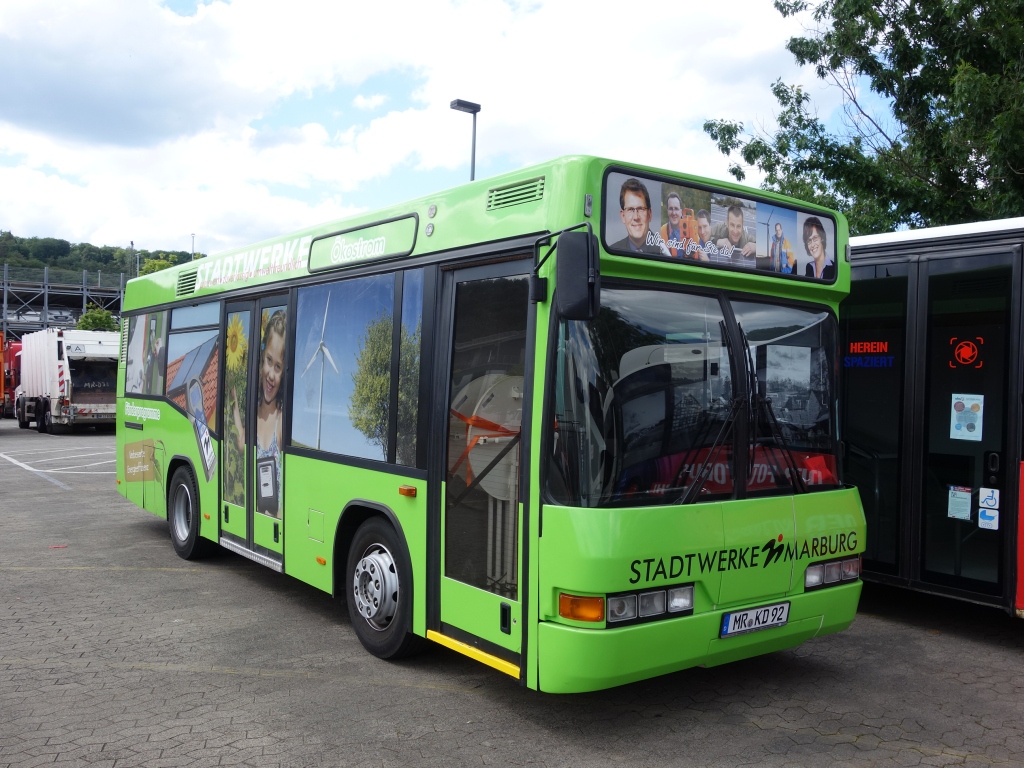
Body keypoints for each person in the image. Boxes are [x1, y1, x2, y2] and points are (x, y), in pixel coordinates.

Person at [232, 309, 286, 517]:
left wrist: (279, 516)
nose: (271, 374)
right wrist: (234, 403)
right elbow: (241, 442)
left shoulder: (280, 422)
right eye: (269, 361)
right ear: (262, 358)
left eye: (278, 367)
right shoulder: (254, 413)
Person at [612, 178, 662, 254]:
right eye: (630, 209)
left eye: (641, 209)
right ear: (623, 216)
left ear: (649, 214)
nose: (636, 217)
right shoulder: (613, 252)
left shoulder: (665, 252)